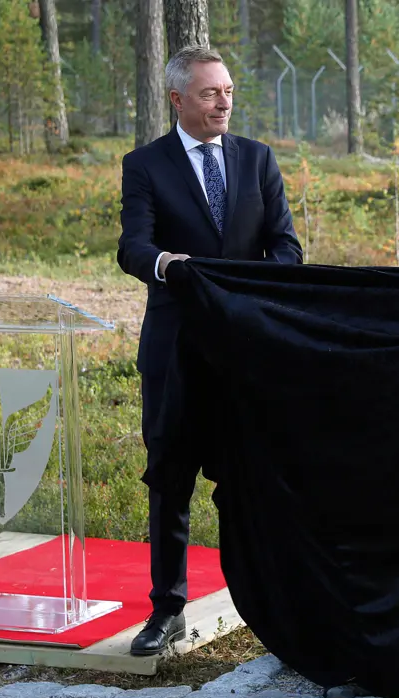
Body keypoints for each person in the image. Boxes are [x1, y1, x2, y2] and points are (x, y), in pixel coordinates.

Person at [117, 45, 302, 656]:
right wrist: (170, 266)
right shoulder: (145, 165)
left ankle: (271, 610)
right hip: (175, 352)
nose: (224, 101)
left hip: (246, 353)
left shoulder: (257, 160)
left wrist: (249, 293)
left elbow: (286, 248)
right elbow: (132, 249)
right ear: (177, 100)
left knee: (249, 483)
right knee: (170, 481)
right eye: (209, 93)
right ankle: (167, 610)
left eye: (227, 91)